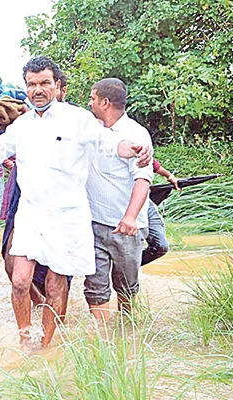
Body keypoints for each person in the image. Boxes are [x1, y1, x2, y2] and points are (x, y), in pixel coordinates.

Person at [0, 56, 152, 347]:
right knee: (19, 280)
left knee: (56, 285)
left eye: (44, 83)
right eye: (32, 84)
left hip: (68, 215)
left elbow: (109, 144)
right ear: (26, 88)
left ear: (57, 86)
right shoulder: (22, 125)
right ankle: (24, 341)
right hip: (31, 213)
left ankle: (45, 346)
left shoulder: (77, 118)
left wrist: (134, 150)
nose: (38, 90)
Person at [84, 78, 154, 323]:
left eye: (92, 98)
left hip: (125, 228)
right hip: (92, 223)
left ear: (105, 102)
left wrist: (130, 217)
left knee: (126, 288)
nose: (89, 103)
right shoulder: (90, 128)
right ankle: (102, 345)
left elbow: (142, 179)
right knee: (95, 288)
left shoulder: (136, 134)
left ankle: (126, 335)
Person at [141, 159, 178, 266]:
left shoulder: (137, 148)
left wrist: (169, 176)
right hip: (117, 205)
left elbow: (151, 163)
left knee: (161, 246)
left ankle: (128, 267)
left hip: (145, 202)